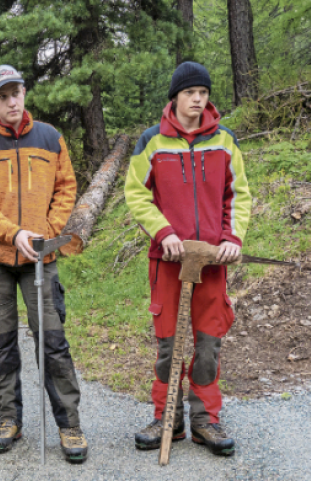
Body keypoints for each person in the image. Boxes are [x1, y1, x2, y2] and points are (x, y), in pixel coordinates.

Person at [124, 61, 252, 456]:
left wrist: (232, 237)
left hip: (211, 265)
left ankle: (205, 421)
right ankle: (169, 418)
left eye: (203, 93)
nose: (198, 99)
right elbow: (136, 194)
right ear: (175, 97)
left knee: (208, 344)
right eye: (190, 93)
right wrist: (164, 233)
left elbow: (239, 196)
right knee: (169, 346)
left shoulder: (224, 141)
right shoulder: (153, 141)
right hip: (168, 265)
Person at [0, 65, 87, 463]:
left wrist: (47, 231)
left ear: (24, 92)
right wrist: (13, 233)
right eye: (3, 96)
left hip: (42, 257)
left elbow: (67, 187)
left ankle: (69, 424)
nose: (12, 101)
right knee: (1, 343)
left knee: (52, 341)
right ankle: (8, 419)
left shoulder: (50, 138)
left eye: (16, 93)